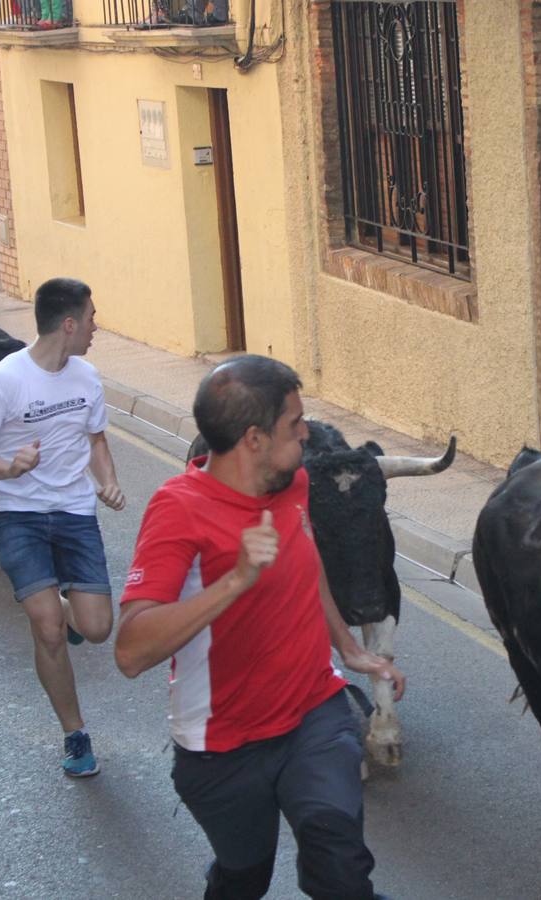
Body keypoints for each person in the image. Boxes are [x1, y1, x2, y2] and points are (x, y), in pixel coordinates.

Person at [115, 355, 405, 900]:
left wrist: (348, 648)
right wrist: (234, 582)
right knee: (244, 876)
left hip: (314, 715)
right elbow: (131, 649)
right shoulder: (178, 509)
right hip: (222, 746)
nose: (308, 431)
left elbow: (304, 551)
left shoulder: (293, 482)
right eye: (294, 423)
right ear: (253, 438)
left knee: (341, 869)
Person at [0, 277, 124, 778]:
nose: (95, 326)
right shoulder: (2, 383)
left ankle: (66, 609)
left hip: (74, 511)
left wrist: (107, 482)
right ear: (68, 325)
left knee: (95, 628)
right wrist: (8, 469)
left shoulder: (87, 377)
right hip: (17, 514)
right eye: (91, 317)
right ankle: (75, 735)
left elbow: (96, 440)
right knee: (47, 626)